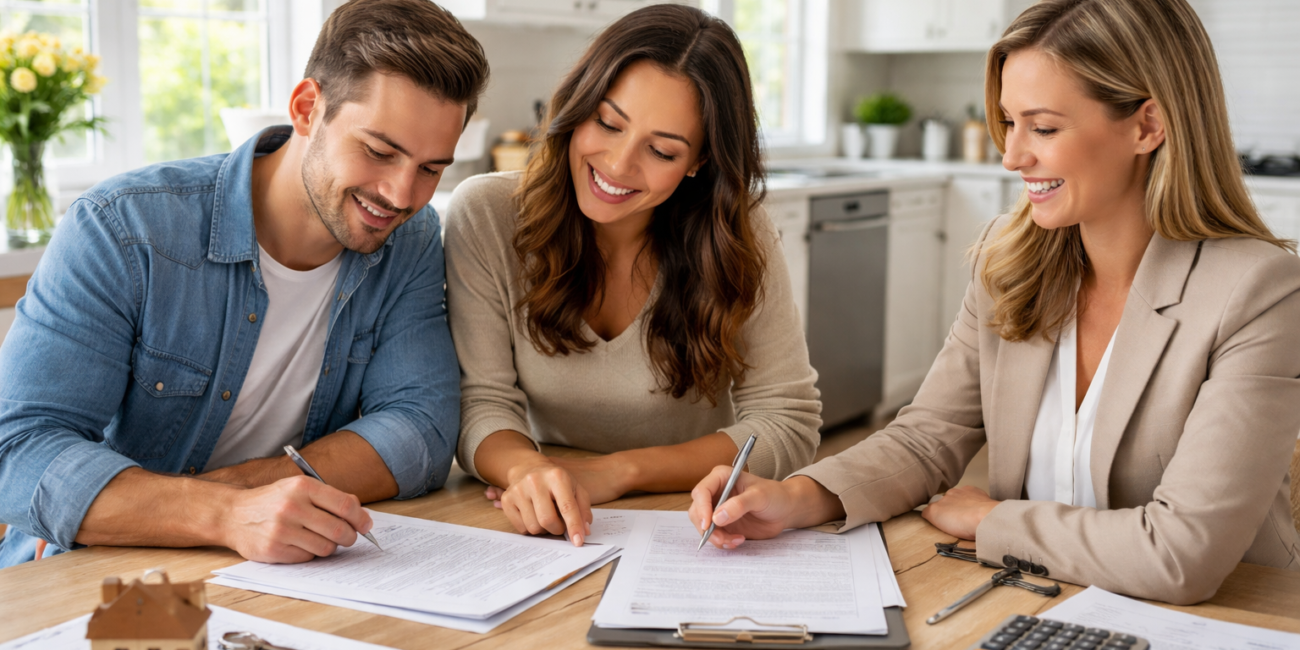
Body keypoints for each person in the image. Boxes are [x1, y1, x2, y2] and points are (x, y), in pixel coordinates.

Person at [689, 0, 1300, 605]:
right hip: (1036, 597)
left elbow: (1181, 555)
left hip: (1232, 618)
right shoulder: (1010, 264)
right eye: (1010, 122)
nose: (1012, 156)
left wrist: (991, 521)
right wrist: (794, 497)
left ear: (1147, 126)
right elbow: (928, 438)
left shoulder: (1258, 291)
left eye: (1045, 127)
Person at [0, 0, 489, 567]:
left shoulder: (412, 238)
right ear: (308, 109)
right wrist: (225, 513)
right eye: (380, 151)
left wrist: (253, 496)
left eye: (432, 169)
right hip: (96, 571)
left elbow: (421, 428)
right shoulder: (123, 228)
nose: (403, 195)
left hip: (279, 567)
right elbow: (16, 452)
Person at [445, 4, 820, 546]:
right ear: (578, 107)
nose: (619, 165)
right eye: (607, 123)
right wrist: (525, 469)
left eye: (662, 150)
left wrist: (623, 471)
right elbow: (481, 401)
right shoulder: (485, 214)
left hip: (687, 518)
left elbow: (787, 419)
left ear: (699, 162)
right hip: (549, 509)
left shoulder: (740, 233)